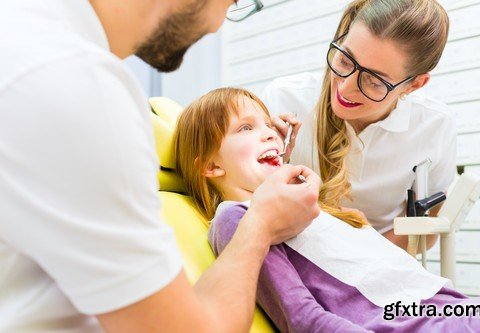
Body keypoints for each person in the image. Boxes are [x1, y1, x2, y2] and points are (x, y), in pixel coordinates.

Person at [0, 1, 321, 332]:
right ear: (210, 166)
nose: (219, 25)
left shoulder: (30, 43)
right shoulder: (79, 89)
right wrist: (261, 223)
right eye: (234, 1)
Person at [174, 87, 480, 332]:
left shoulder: (313, 210)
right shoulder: (240, 217)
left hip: (447, 307)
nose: (269, 132)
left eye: (267, 124)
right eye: (246, 128)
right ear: (212, 166)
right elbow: (303, 318)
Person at [261, 0, 457, 252]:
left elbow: (426, 230)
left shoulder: (434, 127)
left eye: (374, 81)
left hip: (377, 267)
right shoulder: (284, 98)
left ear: (414, 85)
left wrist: (365, 252)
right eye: (344, 60)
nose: (345, 88)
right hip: (289, 257)